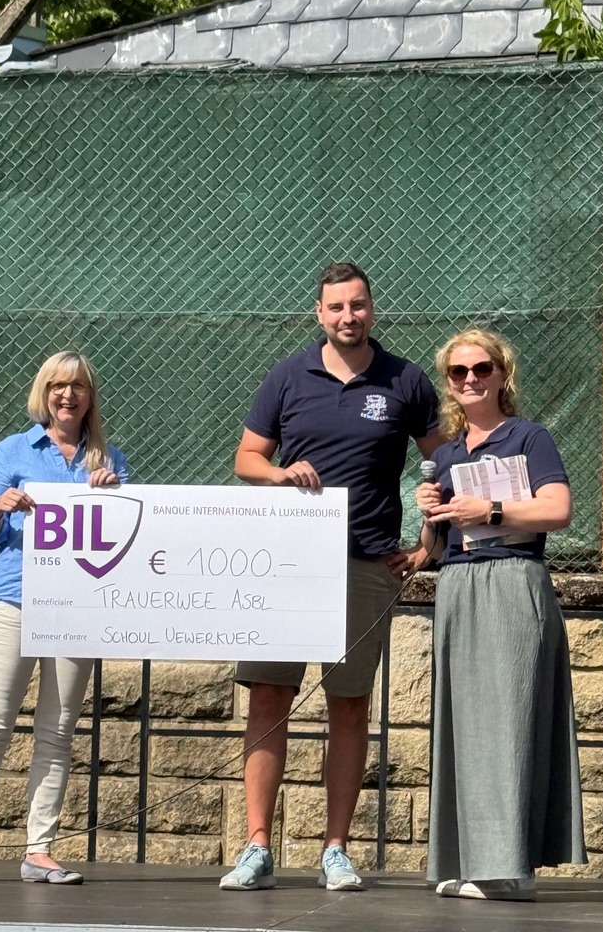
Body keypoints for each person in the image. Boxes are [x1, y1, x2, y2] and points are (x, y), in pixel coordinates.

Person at [219, 262, 443, 893]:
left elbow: (445, 463)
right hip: (286, 564)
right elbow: (246, 456)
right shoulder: (288, 376)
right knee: (269, 699)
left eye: (358, 305)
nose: (349, 316)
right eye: (337, 307)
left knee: (349, 705)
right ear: (319, 314)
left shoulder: (406, 380)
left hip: (366, 563)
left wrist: (428, 545)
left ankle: (336, 850)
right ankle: (257, 847)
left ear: (372, 309)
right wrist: (279, 474)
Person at [415, 328, 586, 902]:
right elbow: (434, 547)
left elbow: (558, 510)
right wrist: (431, 513)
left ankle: (511, 869)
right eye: (459, 371)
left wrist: (488, 508)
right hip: (458, 584)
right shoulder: (444, 455)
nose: (470, 379)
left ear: (501, 374)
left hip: (512, 579)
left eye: (481, 368)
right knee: (463, 726)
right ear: (448, 383)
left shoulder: (529, 437)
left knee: (512, 721)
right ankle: (471, 860)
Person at [0, 351, 129, 885]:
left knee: (58, 731)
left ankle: (39, 850)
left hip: (78, 608)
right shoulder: (13, 449)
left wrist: (114, 496)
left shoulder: (109, 458)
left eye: (77, 387)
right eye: (57, 386)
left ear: (90, 397)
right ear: (44, 393)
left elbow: (124, 537)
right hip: (14, 600)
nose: (67, 395)